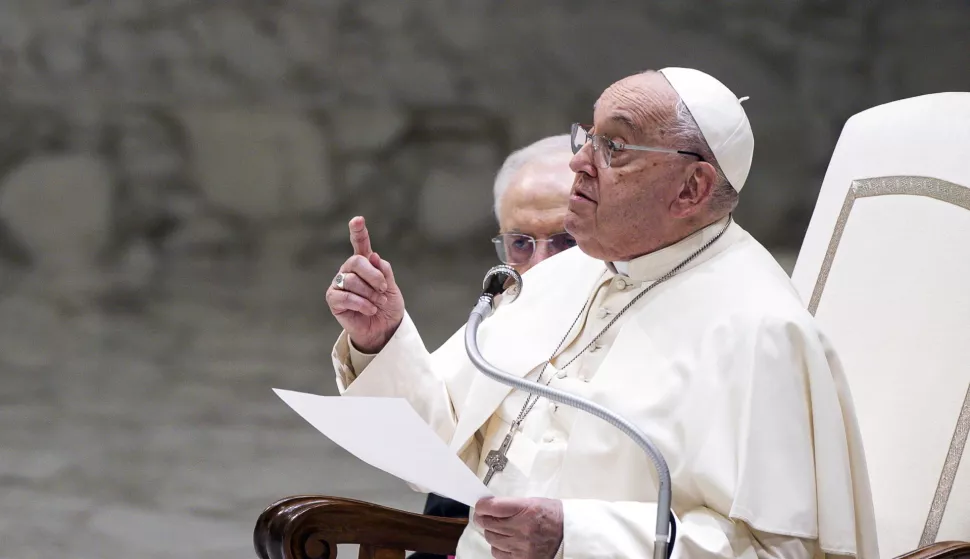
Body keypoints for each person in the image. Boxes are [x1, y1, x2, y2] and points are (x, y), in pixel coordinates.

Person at [325, 68, 878, 558]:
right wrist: (382, 340)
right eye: (588, 136)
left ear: (692, 187)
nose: (579, 163)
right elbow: (440, 443)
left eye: (615, 147)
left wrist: (576, 536)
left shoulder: (760, 330)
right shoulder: (564, 276)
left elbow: (777, 552)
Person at [414, 135, 577, 559]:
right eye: (521, 243)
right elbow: (425, 441)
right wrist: (376, 341)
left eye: (565, 242)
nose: (541, 264)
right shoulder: (500, 314)